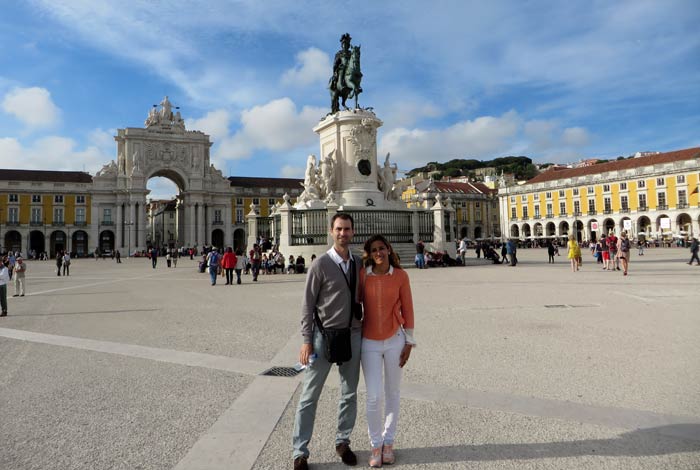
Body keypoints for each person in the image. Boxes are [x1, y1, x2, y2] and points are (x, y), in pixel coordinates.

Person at [292, 213, 363, 470]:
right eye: (339, 229)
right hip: (323, 338)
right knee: (309, 396)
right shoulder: (320, 264)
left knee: (349, 393)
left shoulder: (358, 263)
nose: (343, 233)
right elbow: (307, 305)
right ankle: (300, 452)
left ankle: (342, 441)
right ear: (331, 232)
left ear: (353, 232)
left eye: (347, 229)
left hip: (353, 335)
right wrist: (306, 341)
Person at [360, 234, 415, 467]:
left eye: (381, 248)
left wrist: (409, 341)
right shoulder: (363, 276)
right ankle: (375, 444)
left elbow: (409, 308)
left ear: (388, 249)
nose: (378, 253)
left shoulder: (401, 275)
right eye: (374, 250)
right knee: (373, 396)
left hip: (395, 339)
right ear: (369, 254)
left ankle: (388, 442)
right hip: (369, 342)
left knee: (393, 392)